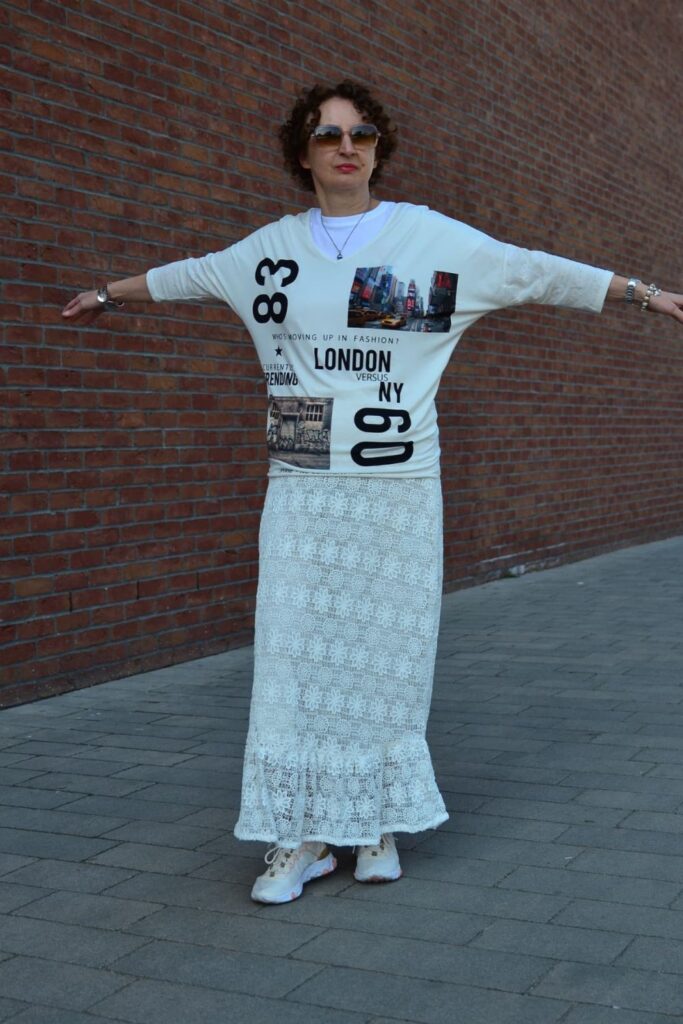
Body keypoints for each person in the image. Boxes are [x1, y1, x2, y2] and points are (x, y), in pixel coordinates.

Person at [62, 79, 683, 905]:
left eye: (360, 134)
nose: (345, 147)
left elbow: (534, 272)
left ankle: (374, 824)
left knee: (385, 667)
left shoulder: (429, 239)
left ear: (378, 149)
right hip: (303, 492)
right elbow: (188, 276)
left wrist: (641, 293)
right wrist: (110, 294)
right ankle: (300, 839)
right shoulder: (268, 251)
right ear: (303, 153)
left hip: (395, 493)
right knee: (292, 663)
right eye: (326, 135)